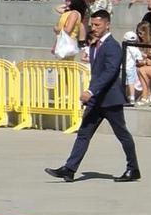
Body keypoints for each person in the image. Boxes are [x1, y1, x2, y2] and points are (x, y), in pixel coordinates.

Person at [45, 9, 139, 183]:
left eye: (98, 25)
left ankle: (133, 169)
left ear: (107, 24)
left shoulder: (112, 46)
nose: (94, 28)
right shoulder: (96, 45)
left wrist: (90, 91)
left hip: (110, 100)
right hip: (96, 100)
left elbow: (109, 73)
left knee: (122, 134)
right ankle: (69, 169)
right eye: (92, 24)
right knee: (83, 134)